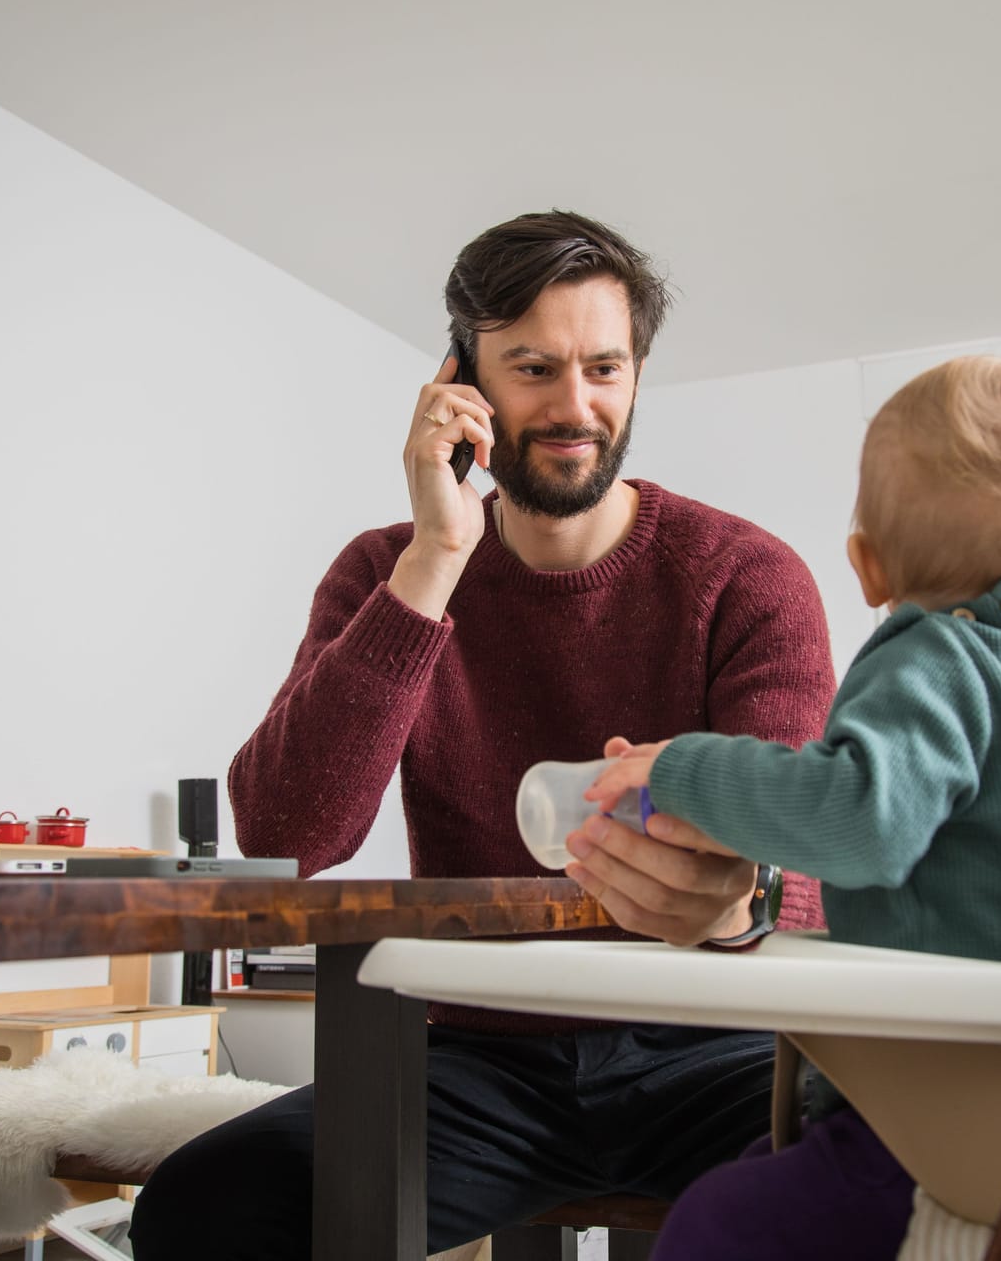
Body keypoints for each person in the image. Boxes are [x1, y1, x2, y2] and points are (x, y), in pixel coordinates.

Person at [127, 210, 837, 1260]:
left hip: (715, 1042)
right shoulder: (387, 570)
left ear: (638, 371)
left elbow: (803, 866)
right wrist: (434, 558)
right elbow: (286, 828)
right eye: (534, 368)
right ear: (462, 380)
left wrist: (740, 897)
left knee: (903, 1181)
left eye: (604, 366)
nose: (574, 405)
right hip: (477, 1059)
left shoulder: (747, 576)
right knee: (202, 1208)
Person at [581, 353, 1001, 1260]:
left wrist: (685, 768)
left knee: (713, 1226)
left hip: (962, 1115)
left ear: (867, 568)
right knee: (761, 1167)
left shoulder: (936, 661)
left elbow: (860, 819)